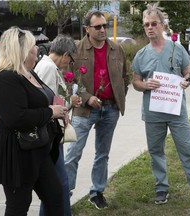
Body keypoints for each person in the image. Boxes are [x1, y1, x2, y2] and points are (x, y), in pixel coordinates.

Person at [132, 3, 190, 208]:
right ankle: (161, 187)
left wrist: (187, 81)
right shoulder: (141, 55)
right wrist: (145, 84)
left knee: (188, 149)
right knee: (155, 151)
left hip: (176, 110)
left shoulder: (177, 49)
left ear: (162, 25)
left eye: (153, 23)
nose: (150, 27)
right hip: (153, 113)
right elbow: (135, 82)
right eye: (146, 25)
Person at [0, 27, 68, 215]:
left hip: (38, 148)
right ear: (23, 50)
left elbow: (40, 100)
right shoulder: (5, 78)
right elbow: (15, 118)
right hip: (17, 153)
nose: (38, 50)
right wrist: (50, 112)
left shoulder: (28, 72)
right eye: (34, 46)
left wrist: (60, 109)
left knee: (55, 195)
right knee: (19, 205)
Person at [64, 10, 129, 209]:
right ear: (87, 29)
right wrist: (86, 97)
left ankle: (97, 192)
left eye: (105, 26)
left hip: (110, 109)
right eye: (98, 26)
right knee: (73, 153)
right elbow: (68, 80)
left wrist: (118, 96)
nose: (103, 30)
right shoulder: (76, 50)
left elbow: (125, 77)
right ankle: (64, 194)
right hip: (84, 111)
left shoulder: (117, 49)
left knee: (103, 153)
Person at [34, 34, 82, 216]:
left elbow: (54, 101)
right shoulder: (47, 68)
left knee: (55, 185)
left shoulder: (49, 67)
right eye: (70, 60)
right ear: (66, 55)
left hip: (53, 133)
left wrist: (69, 103)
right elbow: (45, 103)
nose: (68, 64)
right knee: (59, 183)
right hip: (50, 135)